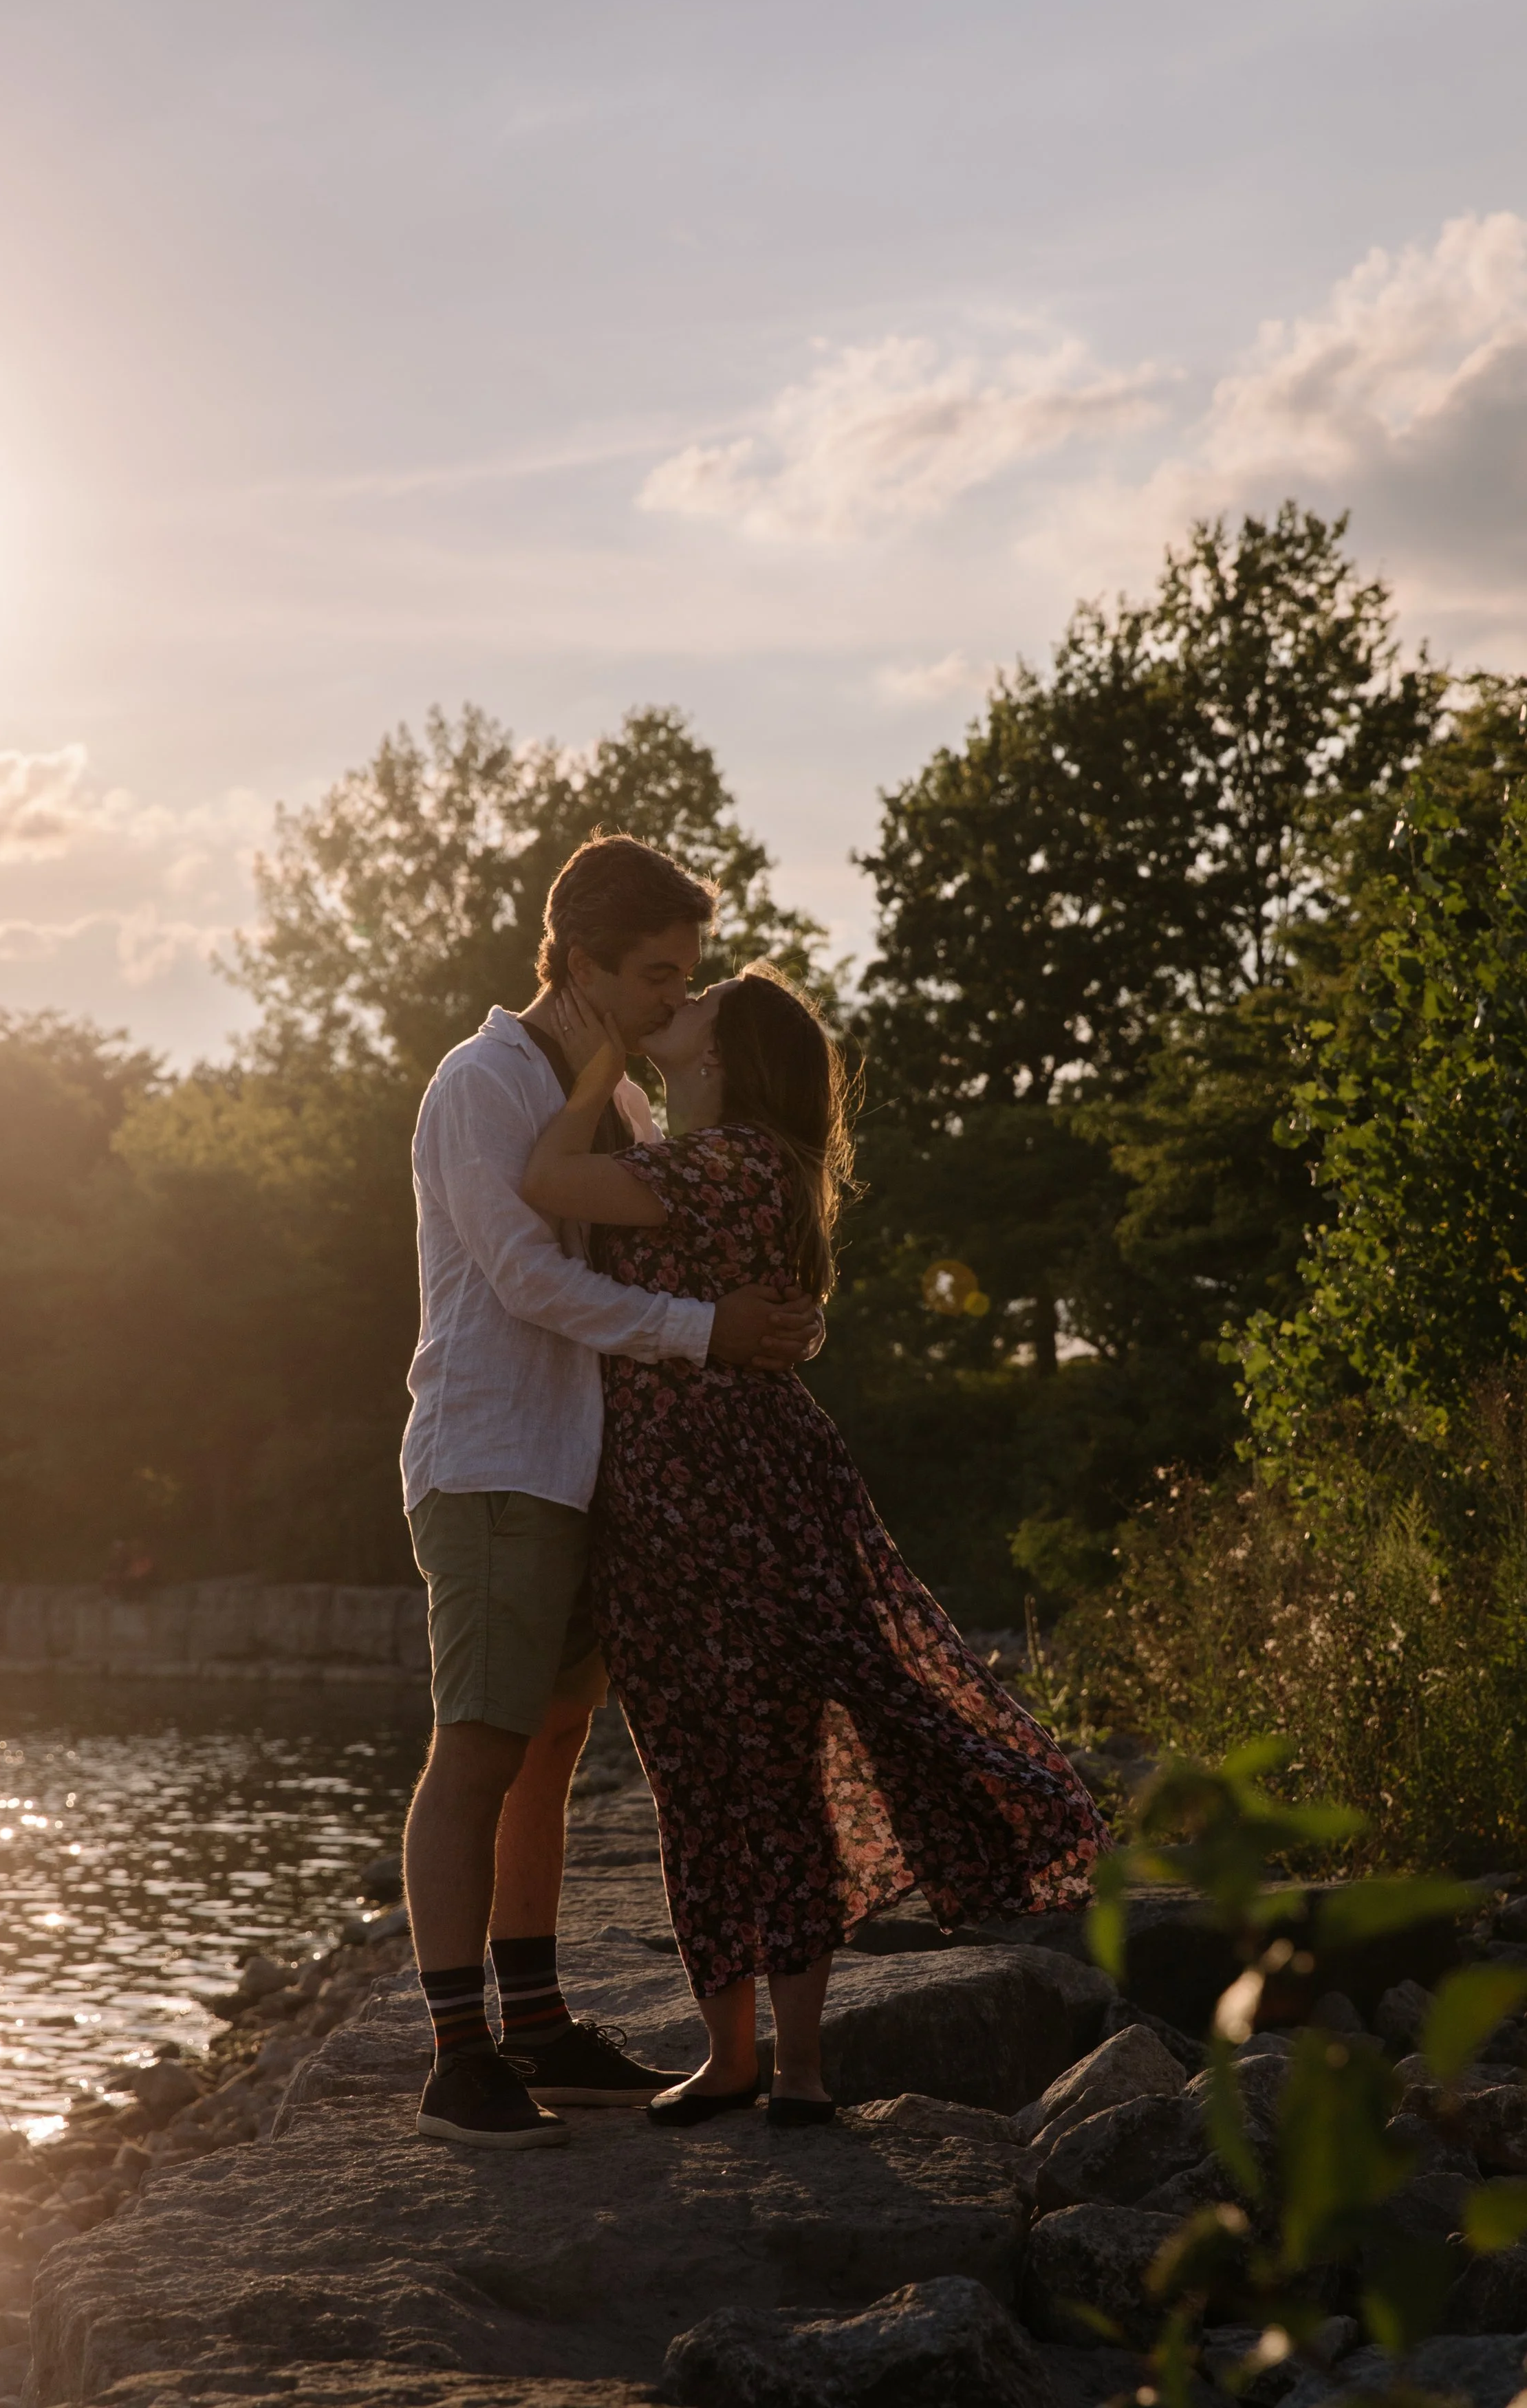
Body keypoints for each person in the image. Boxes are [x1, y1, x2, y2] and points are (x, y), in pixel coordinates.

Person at [521, 963, 1112, 2128]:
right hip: (707, 1493)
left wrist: (590, 1057)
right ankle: (765, 2068)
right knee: (741, 1766)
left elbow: (543, 1176)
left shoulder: (717, 1163)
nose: (671, 1005)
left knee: (710, 1770)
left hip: (709, 1496)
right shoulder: (768, 1170)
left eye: (692, 1009)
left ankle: (767, 2064)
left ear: (723, 1059)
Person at [402, 835, 822, 2151]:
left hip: (589, 1473)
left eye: (682, 975)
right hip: (493, 1461)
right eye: (654, 974)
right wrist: (710, 1328)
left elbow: (688, 1229)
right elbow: (528, 1279)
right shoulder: (478, 1084)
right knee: (479, 1746)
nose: (668, 1001)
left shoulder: (621, 1106)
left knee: (552, 1751)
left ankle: (538, 2025)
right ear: (579, 963)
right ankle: (459, 2058)